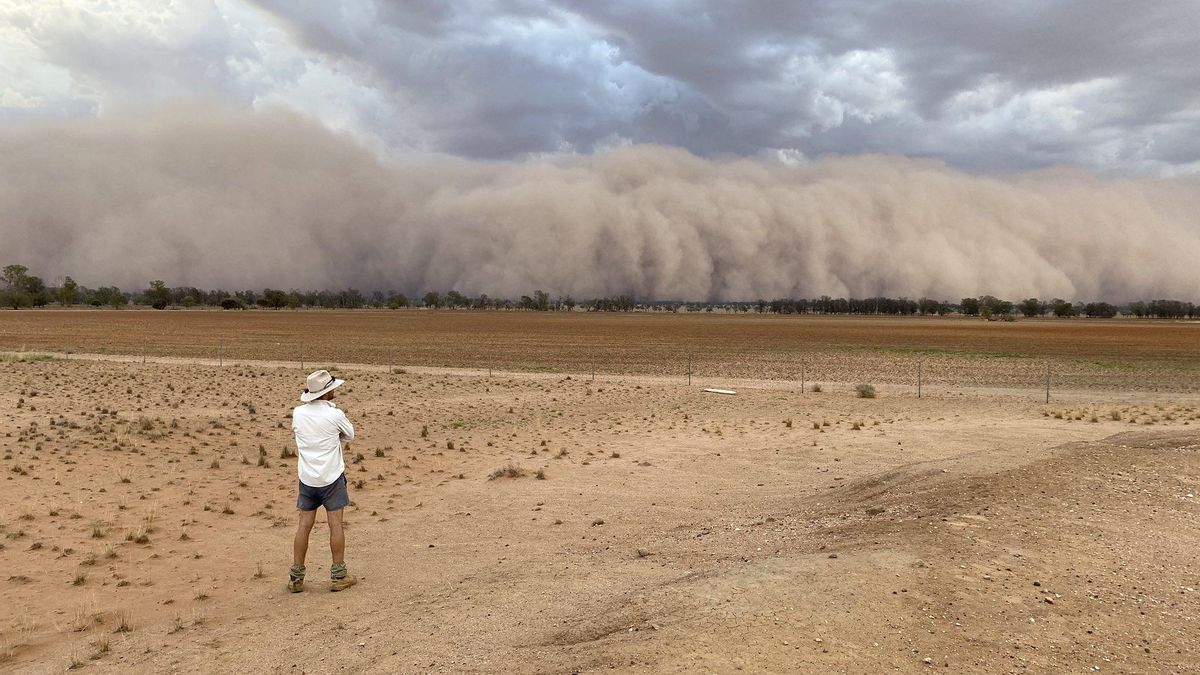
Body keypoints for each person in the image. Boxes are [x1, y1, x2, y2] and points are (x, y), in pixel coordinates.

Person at [288, 369, 357, 592]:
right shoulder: (334, 415)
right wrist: (335, 436)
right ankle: (339, 576)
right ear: (327, 392)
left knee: (304, 526)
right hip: (331, 477)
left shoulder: (299, 413)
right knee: (335, 525)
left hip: (307, 478)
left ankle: (296, 578)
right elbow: (350, 435)